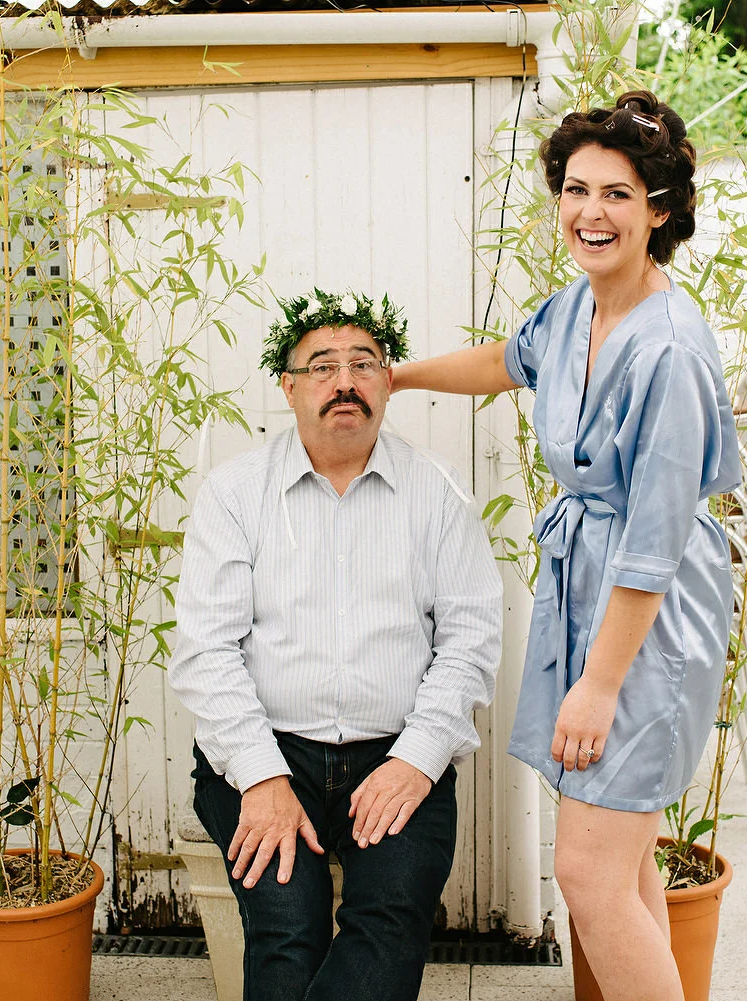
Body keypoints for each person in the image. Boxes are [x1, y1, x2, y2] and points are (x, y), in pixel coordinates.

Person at [393, 91, 741, 1000]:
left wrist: (598, 682)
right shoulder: (575, 310)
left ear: (659, 210)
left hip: (647, 613)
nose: (591, 212)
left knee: (586, 874)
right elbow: (506, 362)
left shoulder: (668, 350)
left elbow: (655, 546)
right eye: (577, 189)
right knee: (622, 868)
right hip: (590, 584)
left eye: (618, 194)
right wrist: (391, 376)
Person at [168, 288, 503, 1001]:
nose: (344, 380)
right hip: (265, 749)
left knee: (390, 920)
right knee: (287, 925)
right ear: (287, 388)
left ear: (388, 381)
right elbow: (205, 650)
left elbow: (471, 641)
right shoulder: (234, 495)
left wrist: (416, 761)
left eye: (363, 362)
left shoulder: (438, 494)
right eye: (321, 365)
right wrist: (260, 777)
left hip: (397, 751)